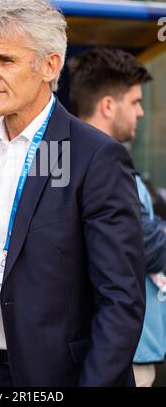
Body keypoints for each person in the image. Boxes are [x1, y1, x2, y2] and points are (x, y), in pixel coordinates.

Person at [0, 0, 145, 387]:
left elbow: (121, 301)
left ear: (50, 65)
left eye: (6, 60)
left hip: (62, 378)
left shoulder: (96, 156)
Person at [68, 47, 166, 387]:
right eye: (135, 102)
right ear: (108, 105)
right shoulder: (91, 164)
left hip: (121, 352)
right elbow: (143, 245)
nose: (140, 112)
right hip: (120, 359)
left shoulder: (74, 156)